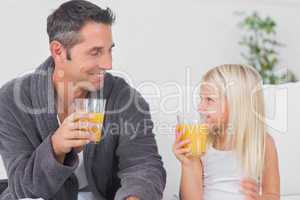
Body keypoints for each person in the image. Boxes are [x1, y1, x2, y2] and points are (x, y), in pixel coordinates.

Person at [0, 0, 166, 199]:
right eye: (95, 52)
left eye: (109, 50)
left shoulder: (124, 98)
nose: (108, 63)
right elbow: (23, 189)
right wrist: (56, 147)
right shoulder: (11, 100)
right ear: (58, 51)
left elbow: (143, 165)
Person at [173, 64, 280, 200]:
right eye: (201, 99)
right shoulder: (202, 141)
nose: (200, 107)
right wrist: (188, 163)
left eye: (209, 100)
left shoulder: (263, 143)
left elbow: (272, 195)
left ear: (236, 104)